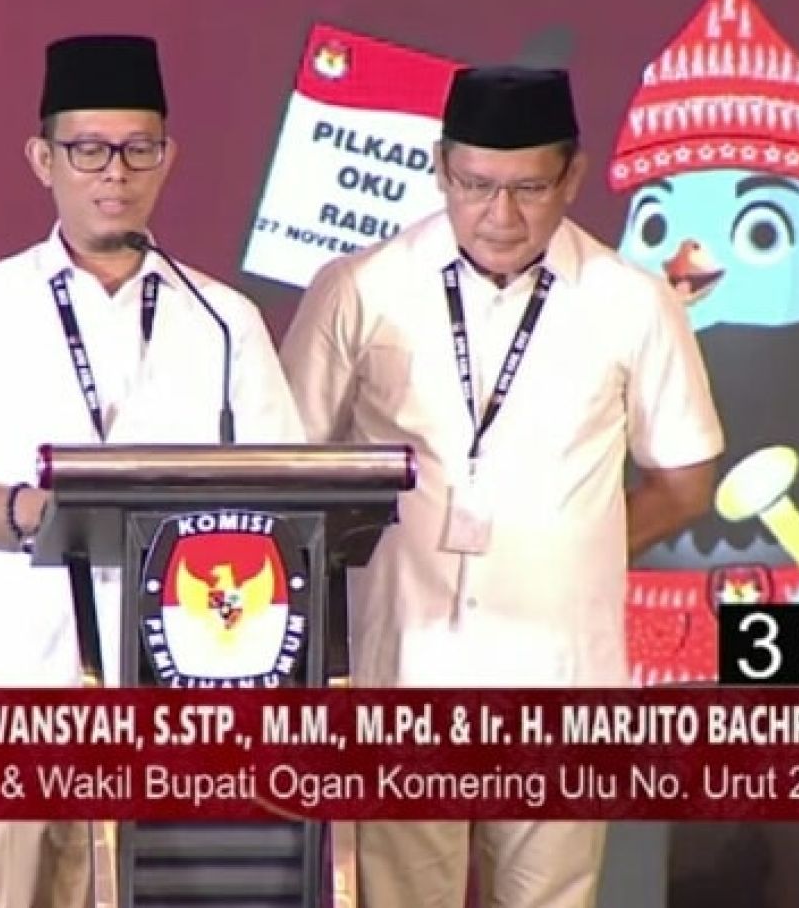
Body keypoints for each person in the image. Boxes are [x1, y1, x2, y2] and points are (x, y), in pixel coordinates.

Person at [279, 66, 724, 908]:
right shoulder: (362, 286)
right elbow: (287, 469)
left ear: (573, 177)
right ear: (441, 168)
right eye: (477, 185)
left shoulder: (632, 302)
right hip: (401, 661)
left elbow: (685, 480)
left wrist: (581, 548)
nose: (501, 215)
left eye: (529, 188)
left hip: (561, 668)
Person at [0, 34, 302, 908]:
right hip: (18, 681)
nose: (114, 171)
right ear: (43, 159)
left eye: (137, 148)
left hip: (182, 686)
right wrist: (51, 516)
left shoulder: (223, 320)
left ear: (167, 158)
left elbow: (284, 495)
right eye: (88, 149)